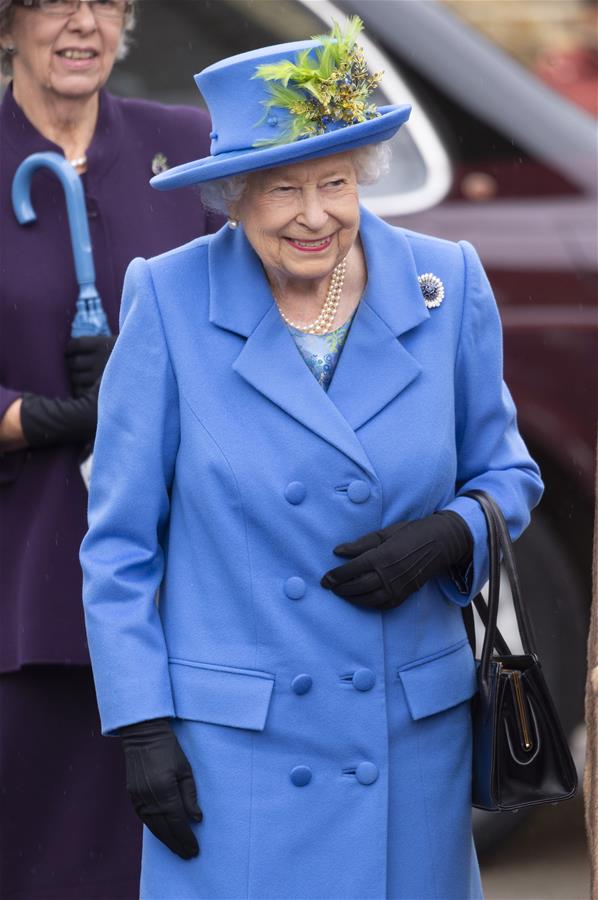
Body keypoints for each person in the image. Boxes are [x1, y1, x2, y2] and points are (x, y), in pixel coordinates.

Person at [80, 18, 544, 900]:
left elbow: (509, 473)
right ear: (234, 195)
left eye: (335, 182)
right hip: (238, 754)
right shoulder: (171, 300)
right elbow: (120, 544)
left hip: (407, 743)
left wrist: (451, 534)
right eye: (283, 189)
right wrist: (140, 722)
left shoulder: (446, 286)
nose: (314, 215)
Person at [0, 1, 222, 897]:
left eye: (105, 0)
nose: (82, 22)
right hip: (24, 586)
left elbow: (255, 319)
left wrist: (154, 391)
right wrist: (46, 417)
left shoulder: (190, 143)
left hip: (182, 590)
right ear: (10, 19)